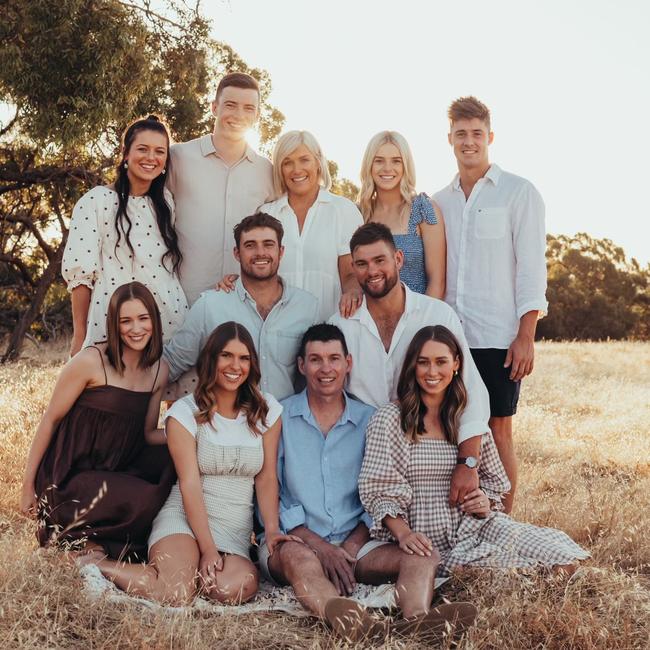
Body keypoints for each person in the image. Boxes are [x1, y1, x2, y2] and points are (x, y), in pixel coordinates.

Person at [257, 324, 477, 642]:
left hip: (358, 544)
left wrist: (349, 546)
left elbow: (376, 490)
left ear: (348, 363)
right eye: (315, 360)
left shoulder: (371, 419)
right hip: (295, 540)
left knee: (422, 556)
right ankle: (347, 621)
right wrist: (321, 548)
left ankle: (416, 621)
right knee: (300, 559)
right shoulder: (278, 416)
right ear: (302, 366)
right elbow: (270, 493)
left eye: (334, 358)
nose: (326, 369)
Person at [80, 322, 299, 605]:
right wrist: (207, 549)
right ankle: (97, 563)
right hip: (184, 516)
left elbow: (267, 477)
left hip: (233, 527)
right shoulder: (185, 412)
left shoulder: (266, 411)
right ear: (211, 359)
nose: (235, 365)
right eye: (226, 356)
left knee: (235, 588)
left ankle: (190, 571)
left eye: (244, 358)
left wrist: (271, 530)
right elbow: (189, 483)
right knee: (176, 592)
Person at [359, 325, 589, 575]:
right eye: (423, 362)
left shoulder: (466, 418)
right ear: (412, 366)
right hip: (428, 539)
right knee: (522, 574)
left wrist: (484, 501)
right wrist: (403, 534)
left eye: (441, 362)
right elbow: (377, 489)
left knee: (563, 561)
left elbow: (494, 484)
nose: (432, 371)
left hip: (479, 525)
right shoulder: (390, 419)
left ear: (456, 363)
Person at [433, 97, 548, 513]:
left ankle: (504, 522)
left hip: (498, 335)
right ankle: (459, 520)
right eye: (460, 134)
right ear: (449, 139)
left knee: (498, 431)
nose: (469, 142)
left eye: (476, 134)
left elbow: (532, 269)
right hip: (448, 339)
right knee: (450, 433)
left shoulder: (519, 193)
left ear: (490, 137)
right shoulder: (436, 202)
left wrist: (526, 335)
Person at [330, 222, 490, 505]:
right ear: (353, 270)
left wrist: (467, 464)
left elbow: (472, 391)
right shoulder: (340, 324)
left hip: (428, 454)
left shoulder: (436, 314)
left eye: (380, 260)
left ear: (399, 259)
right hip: (363, 456)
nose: (372, 271)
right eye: (362, 264)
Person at [20, 282, 175, 560]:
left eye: (143, 318)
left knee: (172, 460)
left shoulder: (158, 371)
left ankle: (103, 543)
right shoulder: (91, 361)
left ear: (154, 319)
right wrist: (27, 486)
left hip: (117, 467)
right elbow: (50, 421)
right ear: (113, 325)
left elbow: (149, 433)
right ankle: (83, 538)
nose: (136, 329)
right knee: (144, 497)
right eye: (125, 321)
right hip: (70, 475)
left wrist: (192, 431)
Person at [63, 115, 188, 357]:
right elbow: (81, 275)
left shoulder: (166, 203)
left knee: (173, 391)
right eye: (143, 149)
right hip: (115, 320)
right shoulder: (96, 201)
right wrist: (80, 335)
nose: (151, 158)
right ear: (125, 152)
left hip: (170, 319)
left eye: (159, 151)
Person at [164, 212, 319, 400]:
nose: (260, 252)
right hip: (226, 426)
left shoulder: (307, 307)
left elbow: (316, 374)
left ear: (281, 251)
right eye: (250, 245)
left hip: (285, 425)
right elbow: (171, 364)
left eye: (268, 244)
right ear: (237, 253)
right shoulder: (210, 305)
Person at [218, 131, 363, 319]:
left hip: (329, 332)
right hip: (277, 329)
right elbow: (257, 267)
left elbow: (352, 273)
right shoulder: (266, 214)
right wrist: (234, 282)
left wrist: (353, 292)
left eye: (304, 160)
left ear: (318, 163)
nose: (296, 169)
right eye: (287, 162)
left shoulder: (344, 210)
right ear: (279, 169)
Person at [168, 72, 274, 305]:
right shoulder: (178, 157)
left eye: (248, 108)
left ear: (256, 115)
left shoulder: (267, 171)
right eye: (230, 105)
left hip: (243, 303)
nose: (238, 115)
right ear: (214, 107)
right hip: (183, 300)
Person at [358, 131, 446, 298]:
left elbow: (437, 281)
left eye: (396, 161)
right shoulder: (359, 213)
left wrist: (423, 322)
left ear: (405, 165)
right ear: (369, 165)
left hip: (419, 317)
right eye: (379, 161)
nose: (387, 168)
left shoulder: (422, 209)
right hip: (369, 317)